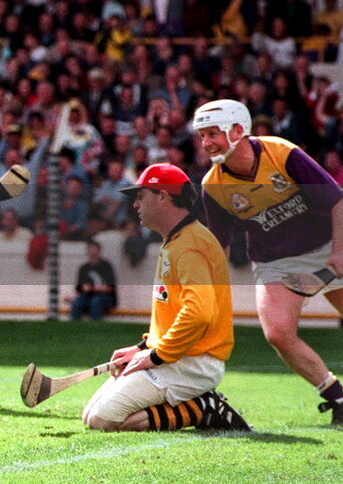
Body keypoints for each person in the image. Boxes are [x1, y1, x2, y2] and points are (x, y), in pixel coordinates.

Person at [194, 99, 343, 426]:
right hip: (273, 261)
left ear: (238, 131)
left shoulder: (282, 153)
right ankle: (340, 400)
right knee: (278, 332)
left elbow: (338, 201)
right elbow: (220, 245)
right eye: (201, 135)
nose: (206, 143)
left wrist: (338, 250)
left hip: (324, 245)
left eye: (213, 133)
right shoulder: (213, 185)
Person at [82, 163, 249, 432]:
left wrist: (156, 356)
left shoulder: (191, 244)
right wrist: (141, 348)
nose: (136, 205)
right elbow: (172, 311)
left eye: (141, 196)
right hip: (175, 354)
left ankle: (203, 408)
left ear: (163, 196)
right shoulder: (177, 240)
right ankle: (198, 405)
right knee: (90, 415)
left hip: (192, 361)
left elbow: (199, 313)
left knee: (104, 420)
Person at [69, 240, 118, 321]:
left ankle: (94, 325)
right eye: (90, 250)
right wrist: (73, 297)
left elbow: (110, 287)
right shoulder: (83, 268)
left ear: (99, 251)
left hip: (105, 297)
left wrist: (92, 288)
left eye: (94, 250)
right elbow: (79, 288)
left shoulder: (106, 266)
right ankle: (74, 325)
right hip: (87, 296)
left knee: (96, 302)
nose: (92, 253)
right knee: (77, 302)